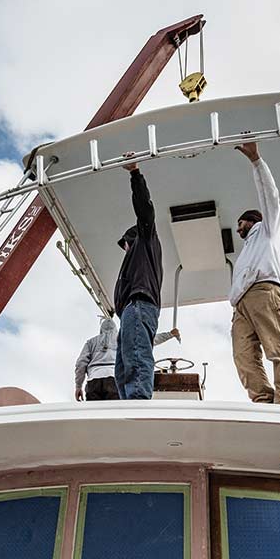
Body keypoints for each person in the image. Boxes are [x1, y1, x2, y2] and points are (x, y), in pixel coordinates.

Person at [229, 142, 280, 405]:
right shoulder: (248, 249)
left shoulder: (268, 230)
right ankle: (263, 401)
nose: (238, 230)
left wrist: (257, 161)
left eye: (240, 223)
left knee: (277, 348)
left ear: (252, 220)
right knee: (244, 356)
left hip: (264, 292)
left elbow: (271, 198)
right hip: (241, 304)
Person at [113, 156, 164, 399]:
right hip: (130, 311)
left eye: (125, 244)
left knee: (136, 358)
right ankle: (128, 405)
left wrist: (135, 174)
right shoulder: (135, 260)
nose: (124, 249)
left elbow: (144, 209)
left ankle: (138, 403)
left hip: (139, 306)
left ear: (131, 240)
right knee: (122, 369)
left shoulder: (145, 240)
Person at [74, 318, 181, 401]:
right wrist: (170, 334)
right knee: (114, 417)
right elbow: (147, 341)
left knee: (94, 418)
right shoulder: (121, 338)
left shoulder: (90, 342)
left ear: (101, 330)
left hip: (93, 381)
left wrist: (78, 386)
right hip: (114, 379)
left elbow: (80, 364)